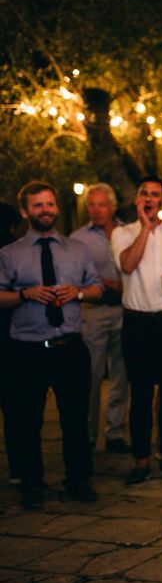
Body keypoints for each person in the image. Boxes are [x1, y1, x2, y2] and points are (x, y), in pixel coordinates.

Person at [0, 181, 102, 509]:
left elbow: (98, 287)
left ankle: (78, 480)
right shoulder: (9, 254)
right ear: (25, 211)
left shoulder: (77, 249)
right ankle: (32, 484)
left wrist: (79, 293)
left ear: (57, 207)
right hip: (27, 349)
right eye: (39, 205)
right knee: (26, 420)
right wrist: (24, 295)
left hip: (69, 346)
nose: (46, 210)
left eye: (50, 204)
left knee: (76, 417)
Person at [111, 176, 162, 485]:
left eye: (155, 195)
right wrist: (146, 228)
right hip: (138, 322)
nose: (149, 198)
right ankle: (141, 459)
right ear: (137, 200)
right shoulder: (122, 233)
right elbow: (128, 265)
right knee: (141, 392)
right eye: (144, 194)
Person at [71, 184, 130, 452]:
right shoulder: (78, 239)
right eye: (91, 205)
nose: (95, 210)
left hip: (125, 309)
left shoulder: (128, 233)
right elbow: (72, 277)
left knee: (121, 373)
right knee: (91, 374)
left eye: (101, 205)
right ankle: (88, 433)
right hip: (94, 311)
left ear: (112, 206)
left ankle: (115, 432)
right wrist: (101, 283)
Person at [0, 202, 21, 484]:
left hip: (9, 336)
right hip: (10, 337)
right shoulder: (14, 251)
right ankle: (19, 466)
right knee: (16, 407)